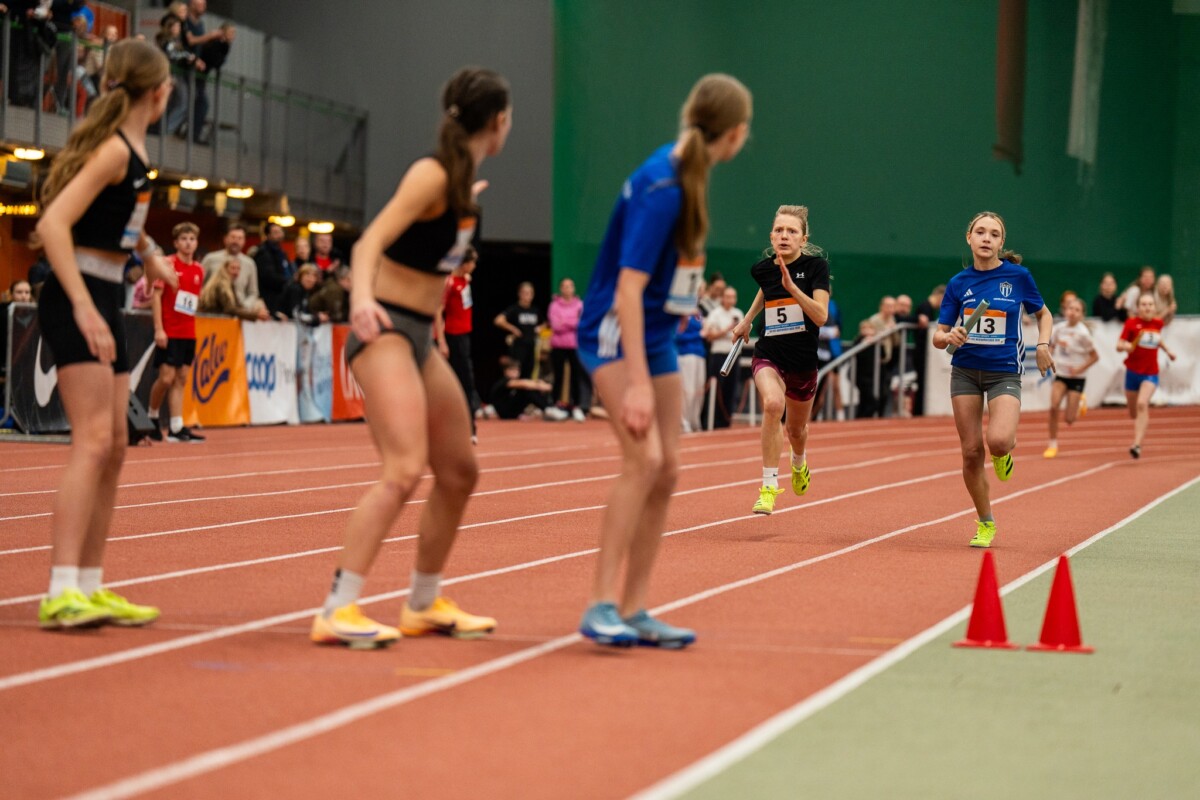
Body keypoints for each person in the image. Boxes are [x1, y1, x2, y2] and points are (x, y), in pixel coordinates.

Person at [310, 67, 511, 649]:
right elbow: (368, 241)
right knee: (403, 468)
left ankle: (422, 602)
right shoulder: (432, 173)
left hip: (419, 334)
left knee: (460, 471)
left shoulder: (460, 184)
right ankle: (337, 608)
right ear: (498, 121)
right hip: (386, 328)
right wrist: (361, 300)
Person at [575, 73, 751, 648]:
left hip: (655, 335)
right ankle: (600, 604)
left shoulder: (687, 172)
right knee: (643, 460)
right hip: (614, 332)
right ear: (736, 133)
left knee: (669, 467)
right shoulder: (663, 187)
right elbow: (627, 289)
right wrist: (637, 385)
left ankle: (635, 608)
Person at [32, 39, 177, 629]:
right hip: (80, 297)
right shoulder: (115, 149)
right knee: (92, 443)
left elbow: (119, 218)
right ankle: (60, 589)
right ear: (160, 92)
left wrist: (151, 254)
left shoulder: (135, 151)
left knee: (116, 446)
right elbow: (54, 225)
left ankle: (89, 586)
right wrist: (82, 307)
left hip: (108, 294)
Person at [932, 211, 1054, 548]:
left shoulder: (1018, 276)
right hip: (965, 371)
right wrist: (949, 336)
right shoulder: (958, 283)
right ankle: (985, 521)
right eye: (981, 232)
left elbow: (1043, 314)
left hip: (1004, 372)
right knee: (971, 452)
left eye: (994, 234)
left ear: (1001, 242)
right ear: (969, 238)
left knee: (998, 441)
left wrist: (1043, 345)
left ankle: (1002, 454)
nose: (987, 238)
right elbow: (939, 335)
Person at [730, 205, 830, 514]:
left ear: (803, 239)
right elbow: (766, 291)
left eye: (792, 231)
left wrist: (793, 288)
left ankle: (798, 461)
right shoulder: (762, 269)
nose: (784, 236)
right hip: (769, 353)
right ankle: (768, 487)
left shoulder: (816, 268)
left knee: (796, 432)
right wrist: (747, 320)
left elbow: (821, 316)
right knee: (773, 405)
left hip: (803, 361)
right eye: (779, 230)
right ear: (771, 236)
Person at [147, 222, 206, 443]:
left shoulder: (199, 269)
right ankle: (152, 417)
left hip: (188, 331)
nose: (188, 243)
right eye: (184, 239)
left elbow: (193, 300)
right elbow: (156, 297)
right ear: (176, 242)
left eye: (192, 239)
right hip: (169, 330)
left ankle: (176, 426)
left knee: (181, 378)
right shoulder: (167, 264)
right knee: (166, 378)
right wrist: (159, 329)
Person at [1119, 293, 1177, 459]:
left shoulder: (1157, 323)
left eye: (1150, 304)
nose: (1147, 307)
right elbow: (1119, 345)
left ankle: (1137, 445)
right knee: (1133, 412)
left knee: (1142, 404)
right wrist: (1125, 346)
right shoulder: (1131, 323)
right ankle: (1138, 430)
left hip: (1150, 373)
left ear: (1154, 307)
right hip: (1132, 373)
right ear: (1138, 308)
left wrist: (1168, 351)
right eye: (1144, 304)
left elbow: (1157, 339)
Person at [1043, 296, 1098, 458]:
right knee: (1053, 407)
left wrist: (1079, 369)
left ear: (1082, 314)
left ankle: (1080, 401)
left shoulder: (1083, 334)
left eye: (1077, 310)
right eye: (1070, 309)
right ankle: (1052, 444)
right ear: (1065, 310)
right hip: (1061, 374)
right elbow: (1052, 346)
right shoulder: (1058, 328)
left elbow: (1095, 357)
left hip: (1077, 377)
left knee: (1069, 419)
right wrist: (1049, 355)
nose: (1073, 312)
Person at [436, 246, 482, 436]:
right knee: (462, 381)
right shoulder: (449, 283)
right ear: (464, 264)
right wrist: (442, 342)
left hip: (464, 336)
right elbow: (438, 311)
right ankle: (467, 427)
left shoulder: (465, 279)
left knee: (466, 382)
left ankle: (466, 425)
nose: (475, 266)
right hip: (453, 337)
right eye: (472, 263)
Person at [702, 285, 744, 428]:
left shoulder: (738, 313)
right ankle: (712, 420)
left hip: (733, 355)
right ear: (723, 298)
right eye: (728, 297)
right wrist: (727, 329)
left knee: (731, 388)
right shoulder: (715, 314)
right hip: (719, 355)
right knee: (717, 388)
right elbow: (710, 335)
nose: (730, 300)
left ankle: (726, 420)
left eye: (733, 297)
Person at [547, 277, 588, 421]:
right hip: (557, 346)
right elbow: (555, 325)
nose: (567, 289)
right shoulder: (554, 305)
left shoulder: (580, 305)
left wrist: (565, 322)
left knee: (576, 377)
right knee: (558, 376)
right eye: (564, 286)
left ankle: (576, 407)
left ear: (573, 288)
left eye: (570, 286)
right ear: (561, 289)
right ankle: (555, 406)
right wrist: (572, 322)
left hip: (574, 345)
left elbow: (582, 323)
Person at [201, 221, 262, 312]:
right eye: (233, 237)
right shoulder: (210, 259)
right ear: (225, 239)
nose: (236, 241)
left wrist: (244, 306)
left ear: (244, 241)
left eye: (240, 238)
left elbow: (253, 293)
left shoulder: (250, 264)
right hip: (212, 310)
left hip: (239, 313)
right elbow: (199, 285)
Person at [494, 281, 544, 379]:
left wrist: (540, 328)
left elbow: (545, 323)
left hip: (531, 347)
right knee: (515, 374)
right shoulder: (514, 309)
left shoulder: (535, 310)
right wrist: (513, 329)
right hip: (518, 348)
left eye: (530, 293)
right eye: (525, 293)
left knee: (529, 375)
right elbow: (498, 320)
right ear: (520, 294)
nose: (527, 296)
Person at [198, 257, 270, 320]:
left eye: (238, 269)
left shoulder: (229, 284)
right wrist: (255, 315)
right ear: (225, 268)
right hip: (210, 322)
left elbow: (238, 306)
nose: (236, 272)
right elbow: (230, 309)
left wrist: (255, 311)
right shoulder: (221, 285)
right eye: (233, 268)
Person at [488, 359, 555, 419]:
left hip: (512, 411)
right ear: (505, 371)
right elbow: (524, 383)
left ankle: (549, 408)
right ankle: (548, 409)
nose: (515, 372)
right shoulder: (504, 381)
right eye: (512, 370)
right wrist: (542, 385)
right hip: (505, 412)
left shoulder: (514, 382)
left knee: (530, 390)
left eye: (517, 370)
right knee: (527, 391)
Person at [254, 220, 293, 316]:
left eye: (280, 232)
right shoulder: (263, 252)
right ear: (268, 235)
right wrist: (289, 281)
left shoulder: (282, 253)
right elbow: (268, 277)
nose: (279, 235)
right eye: (275, 232)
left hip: (281, 298)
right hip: (269, 299)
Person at [676, 312, 706, 432]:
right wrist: (699, 335)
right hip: (686, 354)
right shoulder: (681, 311)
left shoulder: (698, 314)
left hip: (700, 354)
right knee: (688, 389)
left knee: (699, 390)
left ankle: (694, 421)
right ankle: (684, 421)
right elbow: (677, 335)